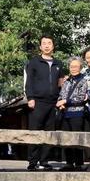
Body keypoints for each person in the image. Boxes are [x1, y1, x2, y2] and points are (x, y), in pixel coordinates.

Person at [23, 35, 64, 171]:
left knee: (49, 133)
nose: (47, 45)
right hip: (37, 102)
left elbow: (60, 84)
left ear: (53, 46)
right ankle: (33, 162)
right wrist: (30, 98)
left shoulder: (59, 64)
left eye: (49, 43)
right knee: (35, 132)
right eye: (44, 43)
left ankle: (44, 161)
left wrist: (60, 99)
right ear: (40, 47)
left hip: (52, 103)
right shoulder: (34, 62)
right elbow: (29, 82)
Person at [56, 57, 90, 170]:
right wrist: (60, 103)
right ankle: (69, 163)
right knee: (66, 139)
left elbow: (81, 97)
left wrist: (65, 101)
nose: (73, 68)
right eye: (71, 66)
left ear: (80, 68)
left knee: (77, 139)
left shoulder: (83, 81)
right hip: (65, 113)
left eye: (76, 66)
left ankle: (79, 163)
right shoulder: (67, 81)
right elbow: (61, 94)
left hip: (77, 113)